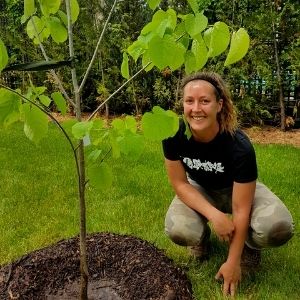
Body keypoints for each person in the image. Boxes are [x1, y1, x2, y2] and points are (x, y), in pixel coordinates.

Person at [162, 72, 294, 297]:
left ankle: (250, 248)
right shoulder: (174, 134)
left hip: (238, 188)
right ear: (182, 104)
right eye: (189, 101)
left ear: (219, 104)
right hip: (200, 188)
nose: (196, 108)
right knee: (179, 229)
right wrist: (215, 215)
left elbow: (241, 209)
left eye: (205, 101)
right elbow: (180, 184)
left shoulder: (238, 146)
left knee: (277, 227)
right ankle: (200, 240)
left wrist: (233, 262)